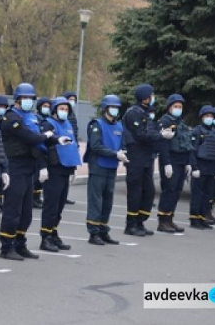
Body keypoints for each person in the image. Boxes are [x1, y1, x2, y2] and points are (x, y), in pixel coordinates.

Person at [0, 83, 54, 260]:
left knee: (26, 211)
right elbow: (30, 137)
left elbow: (37, 141)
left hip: (28, 165)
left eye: (31, 98)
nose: (29, 101)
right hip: (15, 165)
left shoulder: (31, 117)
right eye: (26, 98)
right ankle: (7, 247)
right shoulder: (11, 118)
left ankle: (20, 243)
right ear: (17, 99)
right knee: (12, 209)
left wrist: (56, 140)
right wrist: (47, 137)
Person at [122, 84, 170, 237]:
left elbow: (150, 132)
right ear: (145, 97)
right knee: (135, 192)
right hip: (136, 157)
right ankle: (131, 224)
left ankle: (140, 221)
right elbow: (141, 135)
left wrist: (159, 135)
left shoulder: (145, 113)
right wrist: (160, 135)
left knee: (148, 192)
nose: (153, 98)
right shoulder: (133, 113)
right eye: (151, 95)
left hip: (146, 158)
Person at [37, 97, 78, 252]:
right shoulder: (48, 124)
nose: (64, 111)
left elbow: (72, 146)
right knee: (51, 205)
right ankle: (45, 237)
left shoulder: (67, 123)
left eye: (66, 109)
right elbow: (41, 145)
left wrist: (73, 168)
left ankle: (54, 233)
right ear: (54, 110)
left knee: (60, 205)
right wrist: (43, 167)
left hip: (65, 168)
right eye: (61, 109)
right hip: (53, 167)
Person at [84, 95, 125, 245]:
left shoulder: (119, 126)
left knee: (108, 200)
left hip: (112, 167)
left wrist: (124, 154)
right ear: (105, 108)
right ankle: (93, 233)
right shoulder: (97, 125)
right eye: (112, 107)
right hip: (98, 166)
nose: (115, 110)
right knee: (96, 200)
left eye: (116, 107)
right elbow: (95, 146)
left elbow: (123, 144)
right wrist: (115, 154)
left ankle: (103, 229)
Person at [155, 94, 193, 233]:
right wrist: (166, 163)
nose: (178, 109)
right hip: (171, 160)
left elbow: (187, 143)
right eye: (176, 106)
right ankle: (163, 221)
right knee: (169, 190)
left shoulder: (181, 123)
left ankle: (170, 219)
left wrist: (189, 162)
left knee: (177, 191)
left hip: (182, 160)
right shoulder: (165, 121)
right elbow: (163, 143)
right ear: (169, 107)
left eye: (180, 107)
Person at [189, 105, 215, 229]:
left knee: (208, 195)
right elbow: (193, 150)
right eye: (207, 116)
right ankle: (195, 219)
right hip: (200, 166)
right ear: (202, 117)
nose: (209, 118)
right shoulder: (197, 130)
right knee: (198, 194)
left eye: (211, 116)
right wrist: (194, 168)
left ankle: (202, 218)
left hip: (212, 167)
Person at [32, 96, 52, 209]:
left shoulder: (48, 119)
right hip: (38, 149)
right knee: (36, 177)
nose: (47, 108)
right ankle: (33, 198)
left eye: (48, 106)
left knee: (40, 179)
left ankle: (37, 197)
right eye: (45, 106)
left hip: (45, 149)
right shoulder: (36, 118)